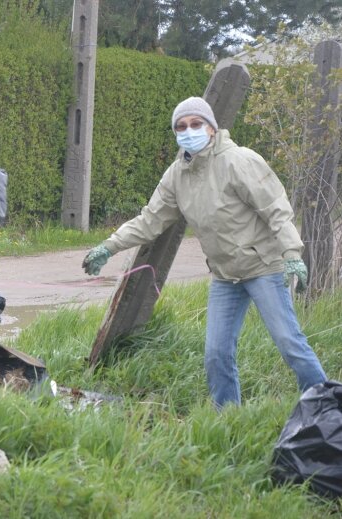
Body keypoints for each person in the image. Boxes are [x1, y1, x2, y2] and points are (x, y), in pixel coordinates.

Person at [82, 96, 327, 409]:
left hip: (263, 267)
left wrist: (292, 253)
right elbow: (150, 219)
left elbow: (276, 209)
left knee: (289, 343)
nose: (189, 131)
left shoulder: (239, 160)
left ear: (212, 128)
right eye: (181, 127)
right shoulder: (177, 175)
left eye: (196, 124)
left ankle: (326, 407)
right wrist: (108, 246)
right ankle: (228, 417)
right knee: (216, 354)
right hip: (225, 276)